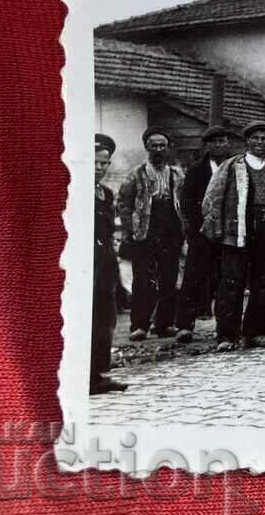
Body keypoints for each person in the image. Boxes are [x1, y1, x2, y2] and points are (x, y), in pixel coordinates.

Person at [201, 120, 265, 350]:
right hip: (238, 231)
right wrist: (216, 229)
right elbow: (212, 198)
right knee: (231, 283)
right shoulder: (232, 166)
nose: (260, 142)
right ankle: (226, 336)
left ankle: (255, 332)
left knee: (264, 283)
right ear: (247, 141)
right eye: (255, 138)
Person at [117, 127, 185, 340]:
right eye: (154, 145)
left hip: (171, 232)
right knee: (143, 280)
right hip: (145, 232)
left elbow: (184, 202)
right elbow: (123, 203)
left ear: (168, 148)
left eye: (162, 145)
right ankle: (139, 326)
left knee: (169, 278)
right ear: (147, 147)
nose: (158, 149)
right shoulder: (136, 174)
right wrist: (131, 229)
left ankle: (164, 324)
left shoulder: (176, 174)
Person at [175, 124, 234, 343]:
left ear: (228, 144)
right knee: (193, 277)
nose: (218, 146)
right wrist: (200, 226)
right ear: (207, 146)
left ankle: (225, 327)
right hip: (202, 233)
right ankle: (184, 325)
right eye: (214, 142)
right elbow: (187, 201)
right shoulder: (196, 170)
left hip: (228, 233)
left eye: (222, 141)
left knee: (225, 279)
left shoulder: (235, 166)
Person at [91, 134, 127, 395]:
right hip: (84, 260)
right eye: (95, 163)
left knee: (106, 316)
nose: (100, 168)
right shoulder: (71, 188)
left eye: (104, 163)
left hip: (105, 262)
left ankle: (98, 373)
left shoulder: (106, 193)